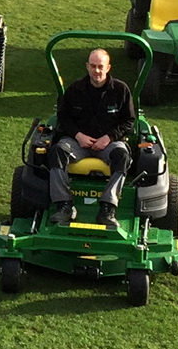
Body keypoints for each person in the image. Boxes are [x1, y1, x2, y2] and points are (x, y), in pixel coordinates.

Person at [49, 48, 137, 229]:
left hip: (109, 144)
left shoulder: (121, 90)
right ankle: (65, 205)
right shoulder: (75, 90)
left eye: (100, 67)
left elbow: (129, 121)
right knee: (57, 151)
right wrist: (78, 135)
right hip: (79, 143)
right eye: (93, 66)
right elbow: (63, 118)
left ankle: (108, 208)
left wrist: (110, 137)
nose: (97, 71)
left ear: (108, 67)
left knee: (123, 156)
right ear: (87, 67)